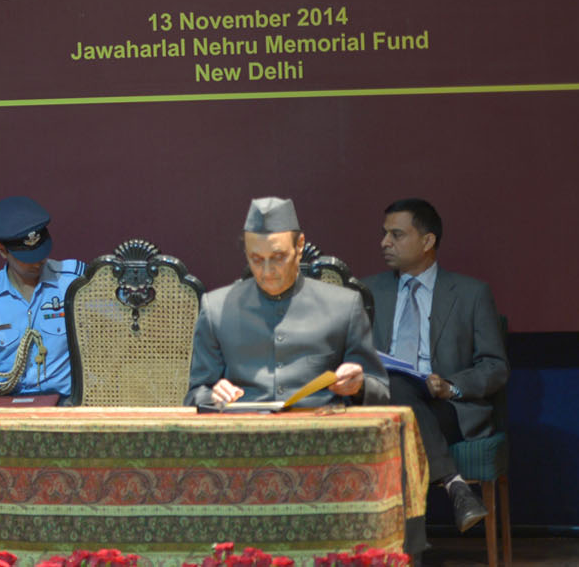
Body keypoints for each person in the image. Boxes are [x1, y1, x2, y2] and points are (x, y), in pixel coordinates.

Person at [363, 198, 507, 534]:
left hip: (444, 405)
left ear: (427, 241)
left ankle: (399, 550)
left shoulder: (471, 293)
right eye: (384, 234)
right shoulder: (368, 291)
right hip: (383, 400)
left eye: (396, 235)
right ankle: (454, 484)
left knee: (399, 419)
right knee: (395, 386)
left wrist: (451, 385)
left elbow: (495, 366)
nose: (385, 243)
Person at [187, 195, 387, 408]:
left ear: (299, 246)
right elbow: (195, 395)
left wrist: (359, 386)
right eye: (256, 259)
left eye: (278, 257)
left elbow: (381, 391)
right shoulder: (216, 308)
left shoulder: (344, 306)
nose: (267, 271)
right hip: (243, 432)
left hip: (320, 432)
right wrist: (212, 396)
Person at [0, 195, 85, 406]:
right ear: (2, 250)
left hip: (65, 404)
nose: (37, 262)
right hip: (4, 403)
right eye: (27, 258)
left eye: (41, 252)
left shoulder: (75, 283)